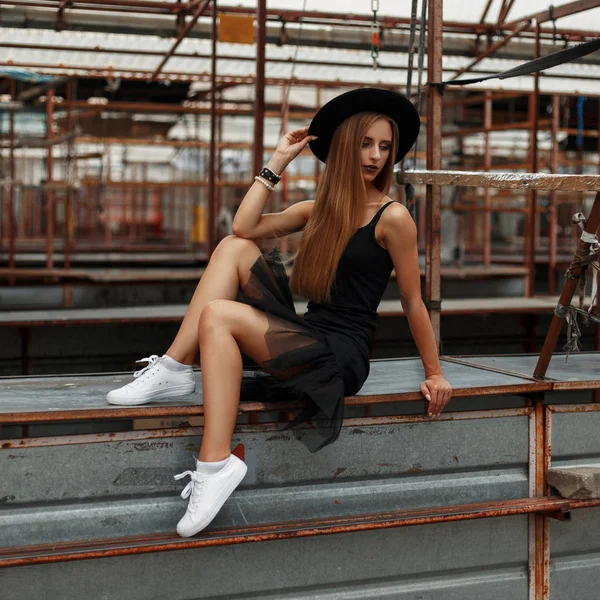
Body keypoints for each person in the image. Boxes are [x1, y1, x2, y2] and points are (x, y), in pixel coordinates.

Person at [106, 87, 453, 538]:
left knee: (218, 315)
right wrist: (278, 160)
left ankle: (214, 465)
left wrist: (435, 371)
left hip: (341, 355)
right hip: (308, 332)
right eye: (366, 143)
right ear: (346, 148)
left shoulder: (393, 217)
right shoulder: (318, 210)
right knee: (234, 247)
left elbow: (412, 300)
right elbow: (243, 226)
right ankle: (174, 367)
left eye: (385, 147)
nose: (375, 156)